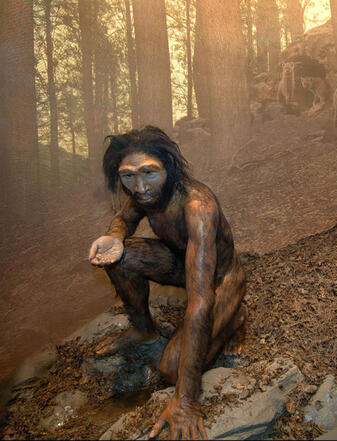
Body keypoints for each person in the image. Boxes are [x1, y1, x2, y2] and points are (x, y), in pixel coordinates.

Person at [88, 125, 247, 440]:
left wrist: (186, 399)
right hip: (180, 263)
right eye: (128, 176)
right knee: (117, 257)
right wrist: (115, 237)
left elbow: (200, 301)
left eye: (149, 173)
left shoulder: (198, 207)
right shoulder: (142, 193)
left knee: (171, 371)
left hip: (219, 279)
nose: (139, 186)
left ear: (169, 168)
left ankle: (234, 317)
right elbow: (124, 217)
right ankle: (144, 330)